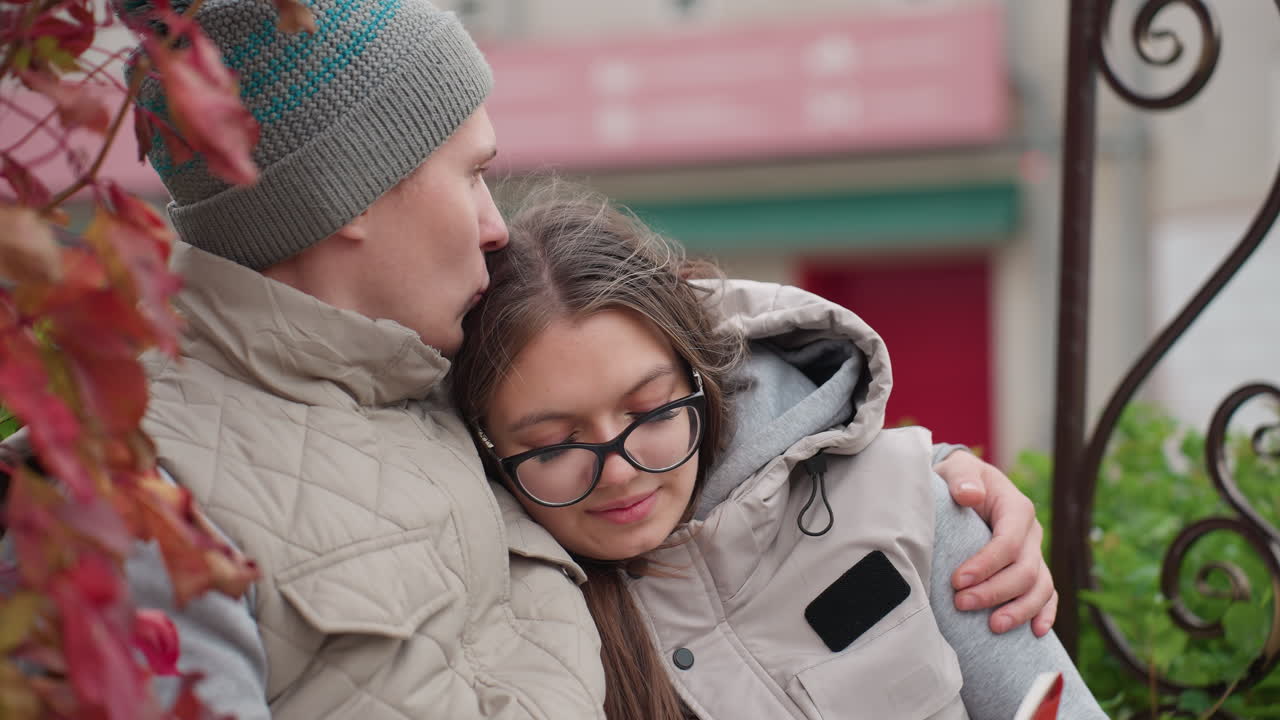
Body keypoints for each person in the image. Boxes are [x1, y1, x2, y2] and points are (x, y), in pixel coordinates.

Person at [5, 1, 1051, 717]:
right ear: (353, 197)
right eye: (471, 175)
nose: (494, 225)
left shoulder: (435, 380)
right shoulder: (132, 496)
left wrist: (925, 483)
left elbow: (664, 372)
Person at [450, 188, 1106, 720]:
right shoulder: (496, 617)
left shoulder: (918, 504)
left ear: (698, 375)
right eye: (554, 445)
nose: (618, 471)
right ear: (488, 445)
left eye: (649, 411)